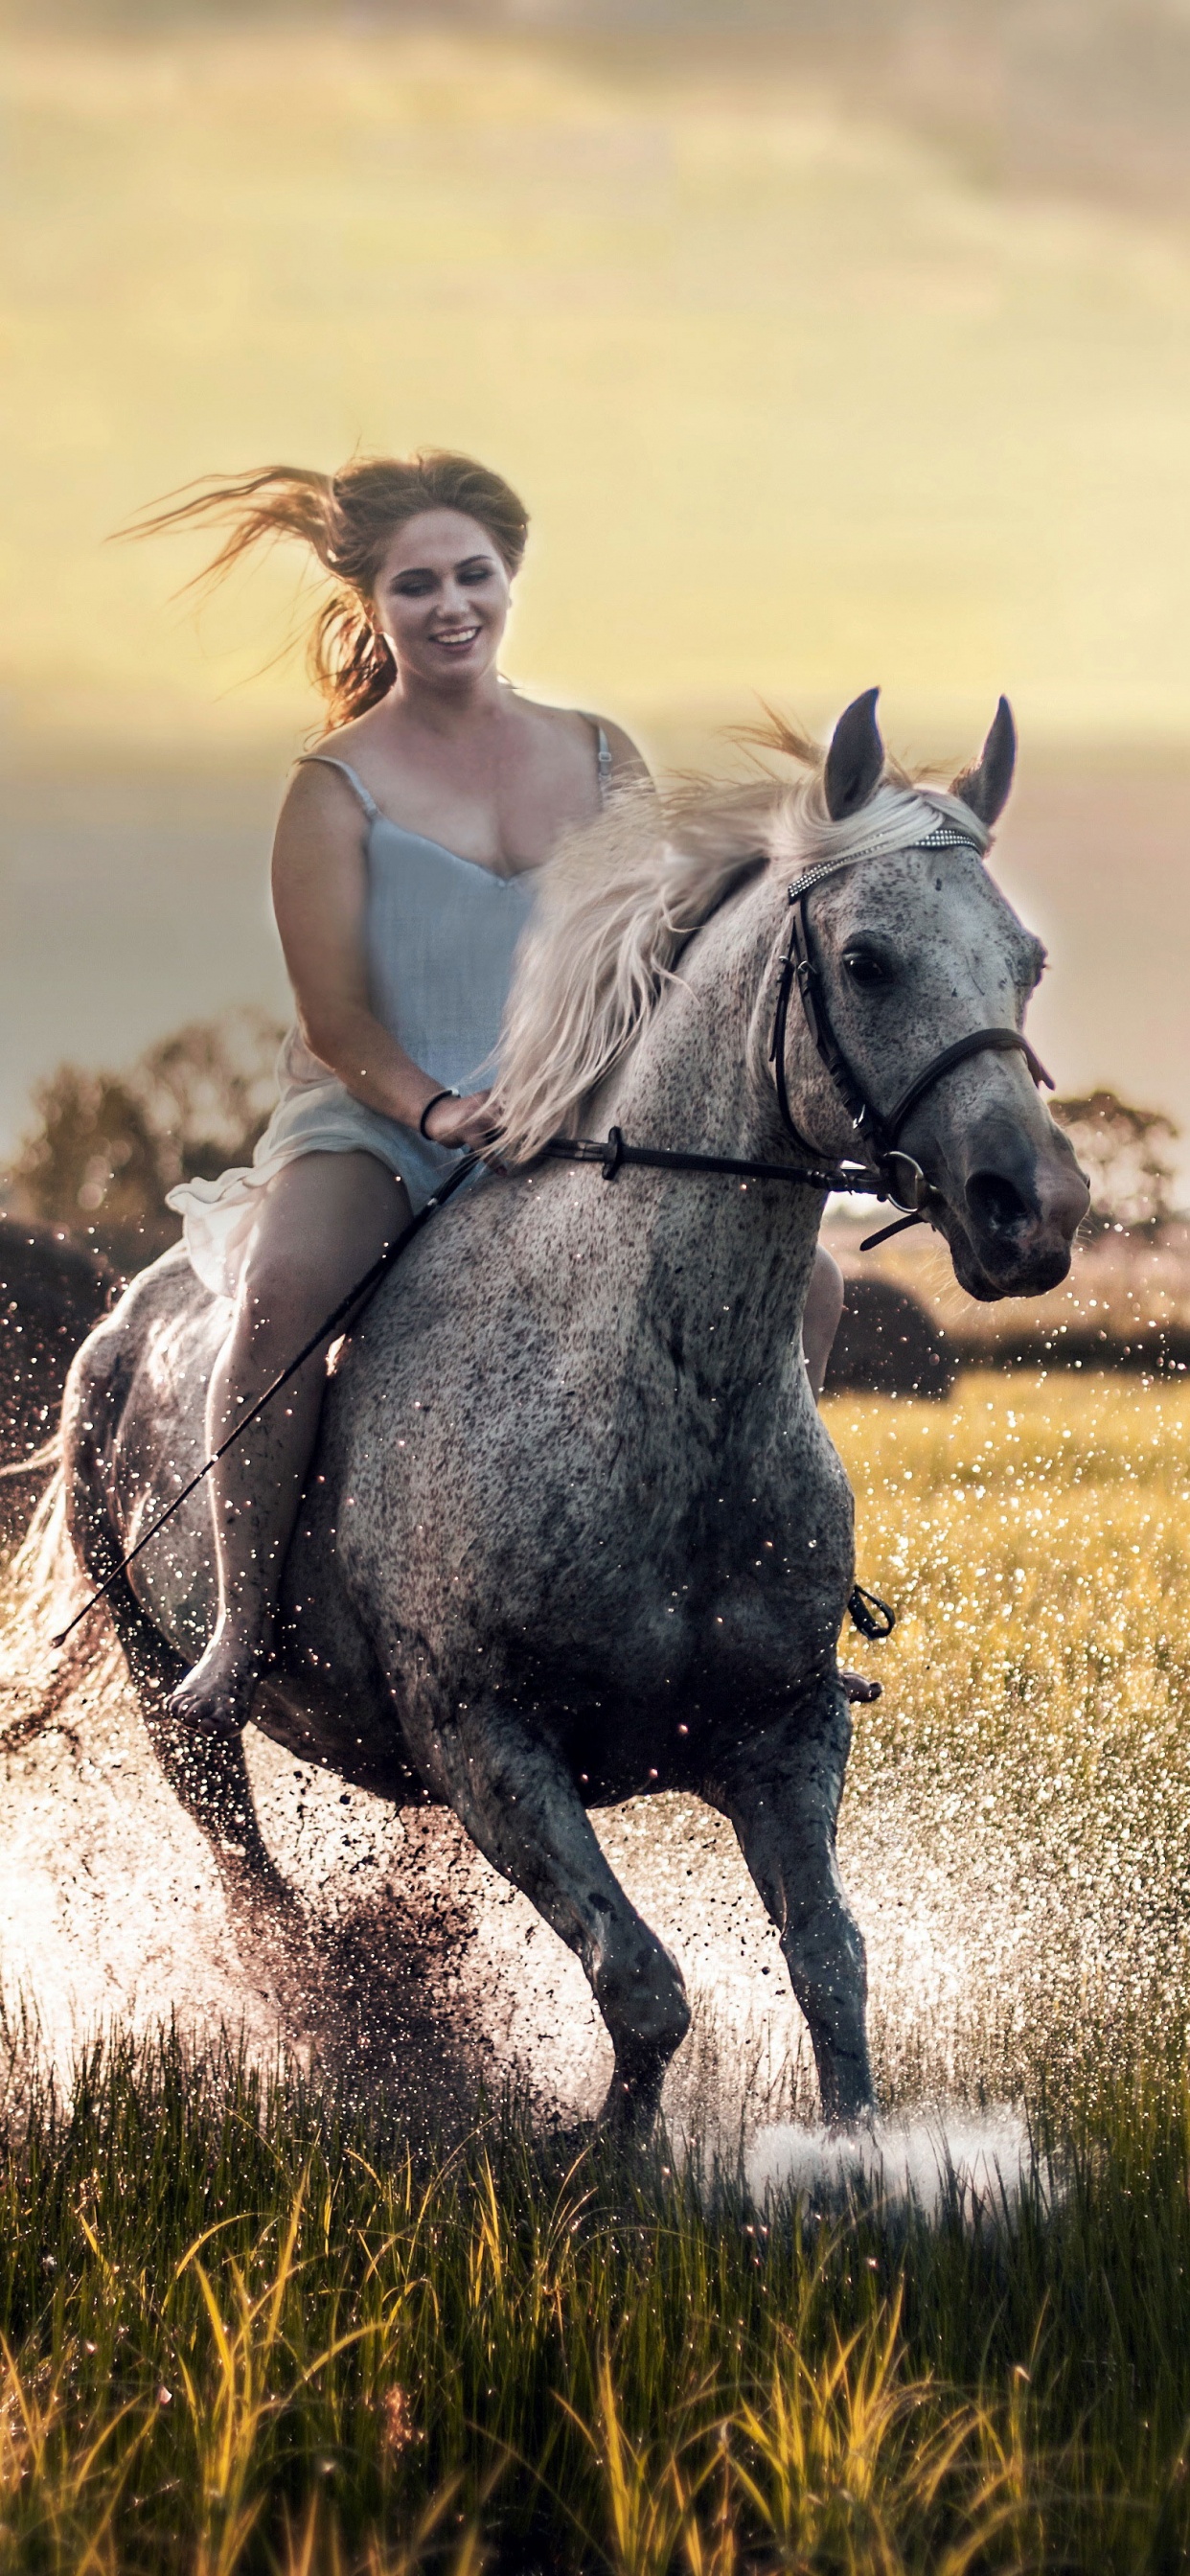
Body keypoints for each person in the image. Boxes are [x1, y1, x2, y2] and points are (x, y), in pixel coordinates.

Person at [134, 450, 848, 1736]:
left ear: (509, 579)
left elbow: (651, 956)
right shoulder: (331, 789)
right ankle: (241, 1630)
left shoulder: (598, 752)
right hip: (381, 1120)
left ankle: (759, 1595)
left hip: (575, 1115)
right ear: (371, 604)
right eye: (418, 585)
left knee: (810, 1283)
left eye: (474, 575)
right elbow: (336, 1023)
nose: (450, 604)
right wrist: (436, 1111)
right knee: (288, 1295)